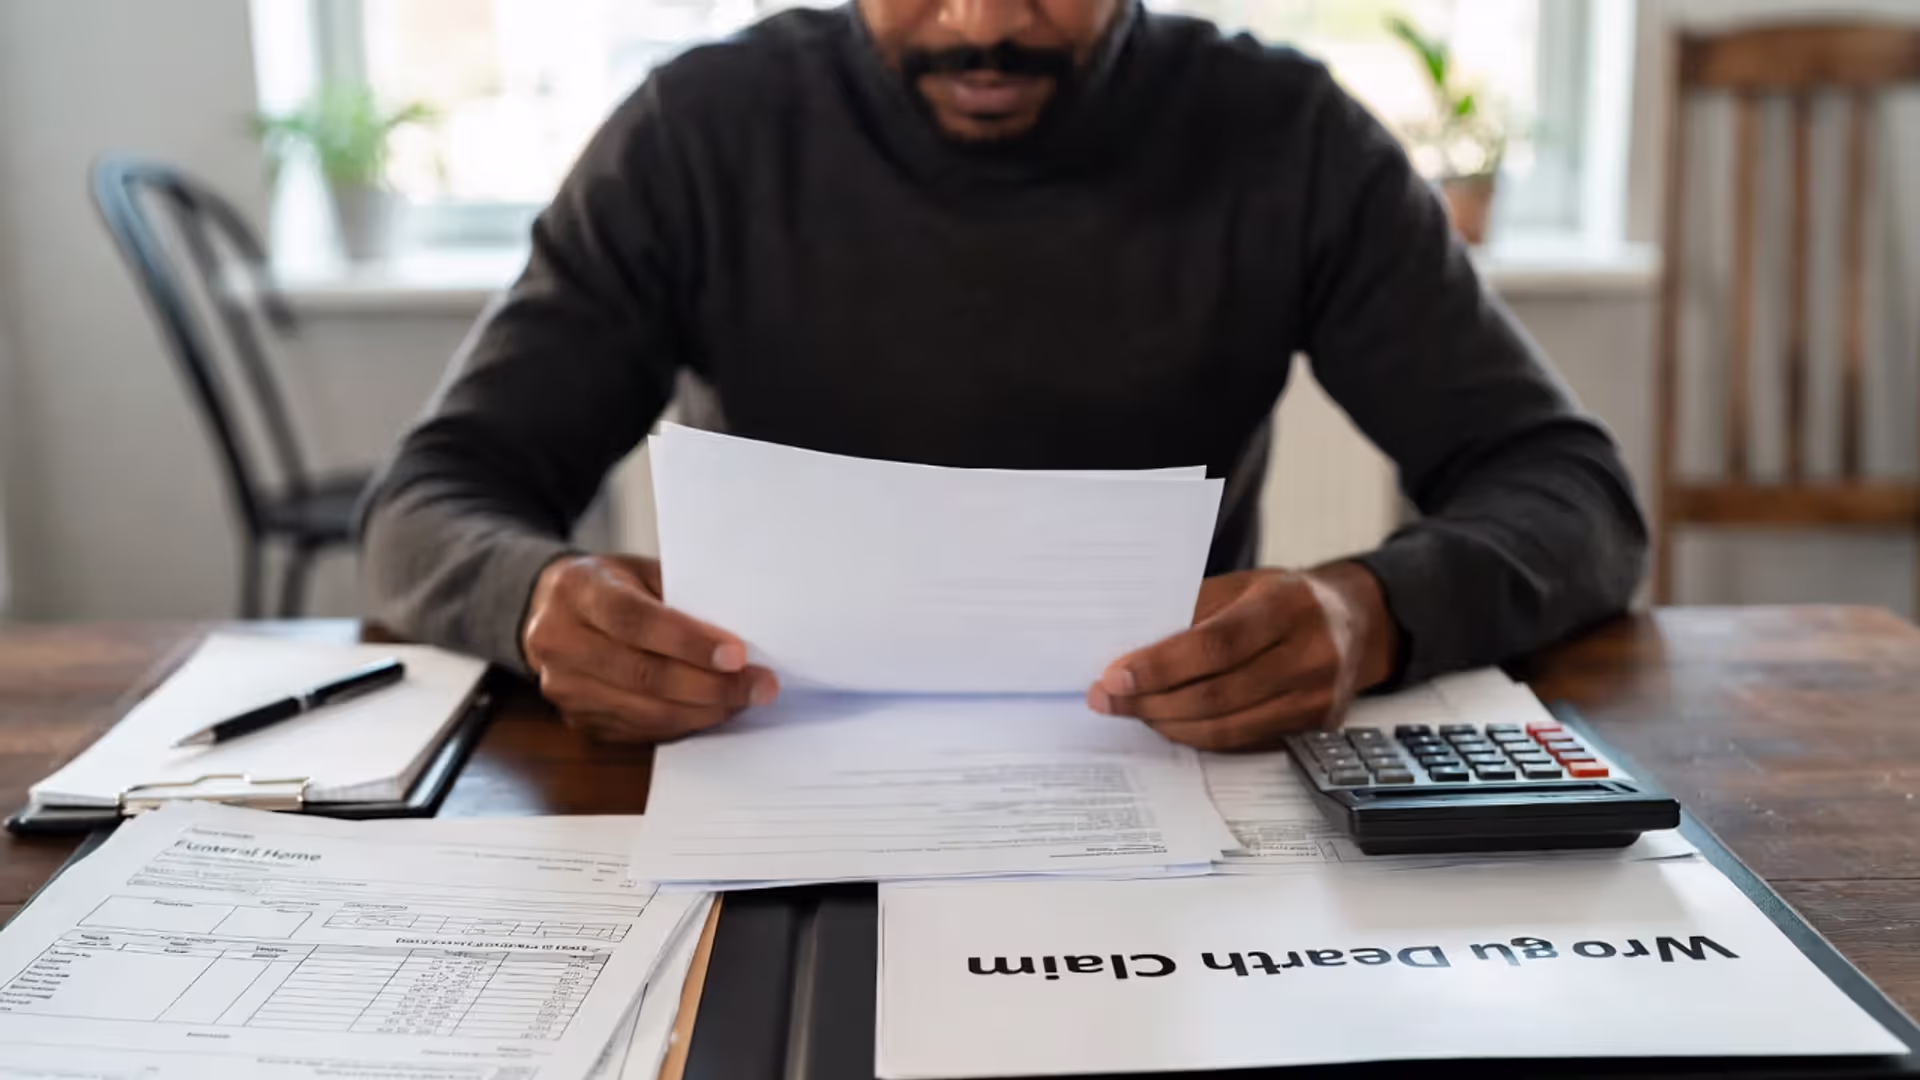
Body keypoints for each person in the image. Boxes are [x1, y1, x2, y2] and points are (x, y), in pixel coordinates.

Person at [360, 0, 1646, 751]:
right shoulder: (696, 135)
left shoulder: (1285, 137)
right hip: (765, 772)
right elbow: (433, 499)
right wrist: (533, 600)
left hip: (1162, 779)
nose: (979, 25)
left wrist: (1370, 612)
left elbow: (1570, 493)